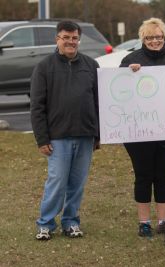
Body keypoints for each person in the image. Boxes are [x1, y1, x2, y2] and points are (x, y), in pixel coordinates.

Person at [30, 20, 100, 240]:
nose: (70, 41)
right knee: (57, 182)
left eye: (74, 37)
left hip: (85, 135)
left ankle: (70, 222)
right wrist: (42, 139)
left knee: (77, 184)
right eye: (66, 37)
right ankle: (46, 223)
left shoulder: (91, 65)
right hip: (58, 137)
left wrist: (98, 134)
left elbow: (99, 102)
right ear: (57, 39)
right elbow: (37, 106)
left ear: (79, 39)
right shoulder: (44, 67)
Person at [119, 18, 165, 238]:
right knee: (143, 175)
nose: (154, 41)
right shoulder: (130, 60)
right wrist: (128, 75)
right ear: (142, 39)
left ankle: (164, 222)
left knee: (163, 176)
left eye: (158, 37)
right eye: (149, 37)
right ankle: (144, 222)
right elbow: (120, 94)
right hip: (138, 133)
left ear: (164, 37)